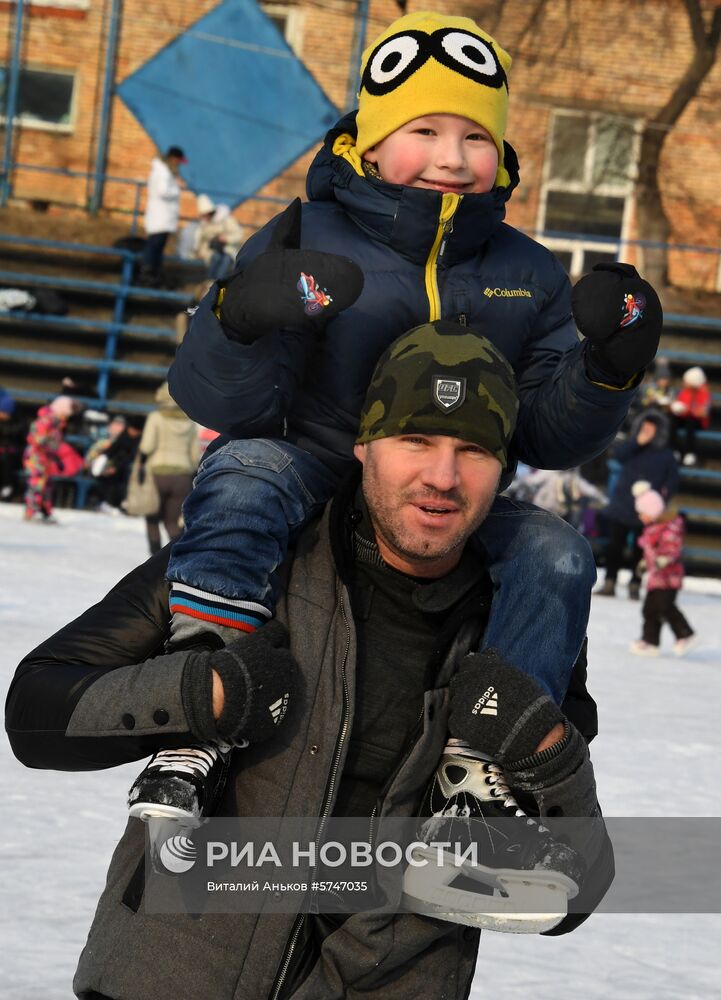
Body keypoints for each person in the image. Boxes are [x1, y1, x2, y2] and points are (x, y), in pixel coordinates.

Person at [155, 11, 662, 820]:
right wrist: (237, 319)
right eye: (423, 129)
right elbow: (228, 405)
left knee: (555, 550)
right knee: (246, 469)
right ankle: (206, 694)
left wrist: (608, 369)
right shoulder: (304, 234)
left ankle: (485, 762)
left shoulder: (525, 271)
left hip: (448, 496)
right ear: (369, 137)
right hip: (314, 467)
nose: (452, 158)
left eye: (474, 136)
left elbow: (543, 433)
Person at [6, 327, 613, 1000]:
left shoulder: (520, 621)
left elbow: (570, 893)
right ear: (362, 445)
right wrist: (196, 692)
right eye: (415, 440)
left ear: (503, 469)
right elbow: (34, 712)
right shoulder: (246, 567)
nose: (441, 476)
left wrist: (548, 754)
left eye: (471, 450)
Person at [597, 412, 678, 599]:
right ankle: (610, 581)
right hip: (622, 504)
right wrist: (636, 442)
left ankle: (635, 583)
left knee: (641, 550)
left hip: (647, 512)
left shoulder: (666, 454)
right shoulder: (632, 447)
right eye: (644, 427)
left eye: (651, 428)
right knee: (614, 546)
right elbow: (617, 455)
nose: (647, 431)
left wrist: (658, 504)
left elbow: (672, 481)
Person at [630, 486, 696, 657]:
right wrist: (645, 562)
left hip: (670, 578)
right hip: (656, 577)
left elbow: (673, 547)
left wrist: (665, 559)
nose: (640, 516)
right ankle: (650, 641)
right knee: (649, 609)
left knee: (665, 606)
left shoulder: (671, 527)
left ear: (652, 512)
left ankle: (685, 634)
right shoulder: (651, 529)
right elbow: (650, 551)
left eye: (642, 513)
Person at [136, 383, 199, 553]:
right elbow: (195, 456)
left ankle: (153, 558)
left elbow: (147, 446)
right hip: (182, 477)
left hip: (157, 474)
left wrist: (140, 463)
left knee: (152, 519)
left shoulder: (156, 417)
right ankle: (176, 557)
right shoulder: (190, 422)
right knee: (173, 522)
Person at [22, 394, 78, 523]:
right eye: (66, 413)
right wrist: (51, 444)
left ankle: (44, 511)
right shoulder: (45, 420)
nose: (67, 417)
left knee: (47, 485)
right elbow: (35, 438)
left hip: (47, 458)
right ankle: (32, 511)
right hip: (36, 457)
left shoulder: (57, 424)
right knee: (36, 484)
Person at [139, 145, 186, 287]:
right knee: (154, 245)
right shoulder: (162, 172)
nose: (179, 164)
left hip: (163, 217)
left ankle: (154, 273)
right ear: (173, 158)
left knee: (157, 247)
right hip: (160, 217)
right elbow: (163, 191)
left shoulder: (165, 172)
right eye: (178, 161)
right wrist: (177, 189)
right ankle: (147, 273)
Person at [193, 194, 245, 280]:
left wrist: (226, 239)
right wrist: (200, 252)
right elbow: (199, 242)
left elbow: (238, 234)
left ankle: (217, 286)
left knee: (226, 260)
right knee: (216, 258)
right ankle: (212, 284)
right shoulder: (202, 225)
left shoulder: (226, 220)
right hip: (210, 252)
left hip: (228, 251)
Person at [670, 365, 711, 467]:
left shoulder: (704, 393)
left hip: (696, 421)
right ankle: (673, 450)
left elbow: (703, 412)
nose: (684, 383)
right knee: (672, 421)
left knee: (690, 423)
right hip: (684, 418)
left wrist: (688, 410)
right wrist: (676, 408)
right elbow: (678, 403)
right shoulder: (685, 391)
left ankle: (689, 452)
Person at [0, 386, 25, 501]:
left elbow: (21, 441)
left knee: (6, 459)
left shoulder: (18, 423)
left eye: (3, 412)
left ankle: (7, 487)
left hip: (13, 454)